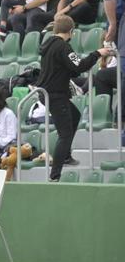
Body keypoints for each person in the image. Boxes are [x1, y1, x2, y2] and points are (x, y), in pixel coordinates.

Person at [37, 15, 111, 181]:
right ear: (71, 31)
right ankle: (54, 175)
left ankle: (66, 156)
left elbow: (68, 69)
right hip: (55, 95)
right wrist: (97, 53)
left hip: (48, 93)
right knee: (65, 134)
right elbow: (80, 65)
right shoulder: (63, 47)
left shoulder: (48, 45)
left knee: (75, 115)